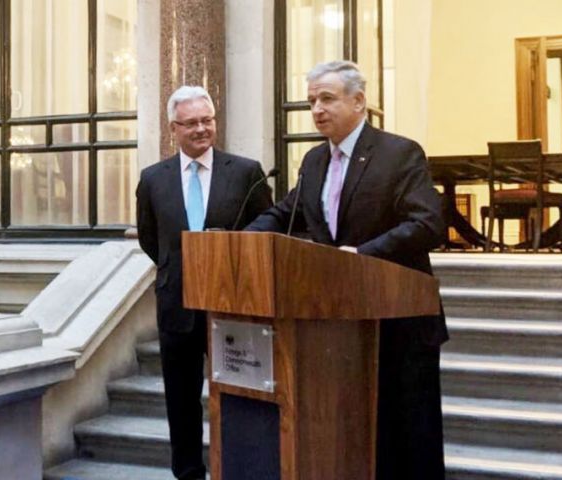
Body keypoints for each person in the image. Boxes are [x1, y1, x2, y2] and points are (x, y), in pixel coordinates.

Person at [246, 61, 447, 479]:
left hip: (399, 321)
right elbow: (288, 212)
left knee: (408, 437)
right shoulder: (314, 161)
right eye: (311, 101)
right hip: (340, 323)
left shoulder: (398, 152)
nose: (317, 109)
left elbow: (427, 224)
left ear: (359, 101)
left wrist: (362, 254)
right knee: (353, 437)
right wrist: (243, 241)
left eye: (327, 98)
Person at [136, 85, 273, 480]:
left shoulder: (245, 171)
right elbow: (151, 238)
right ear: (173, 128)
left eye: (207, 121)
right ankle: (189, 472)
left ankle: (240, 469)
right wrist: (179, 270)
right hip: (177, 305)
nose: (201, 129)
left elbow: (266, 227)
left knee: (240, 393)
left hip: (235, 304)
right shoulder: (153, 179)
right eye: (192, 122)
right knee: (180, 398)